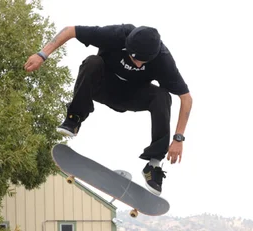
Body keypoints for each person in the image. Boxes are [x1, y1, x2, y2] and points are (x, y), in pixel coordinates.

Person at [24, 24, 192, 196]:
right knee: (92, 62)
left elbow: (186, 98)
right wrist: (42, 55)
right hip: (103, 87)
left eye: (144, 62)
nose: (139, 64)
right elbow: (71, 31)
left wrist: (178, 138)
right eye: (135, 59)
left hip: (132, 96)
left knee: (163, 96)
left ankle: (153, 164)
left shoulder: (164, 60)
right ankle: (74, 118)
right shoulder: (115, 35)